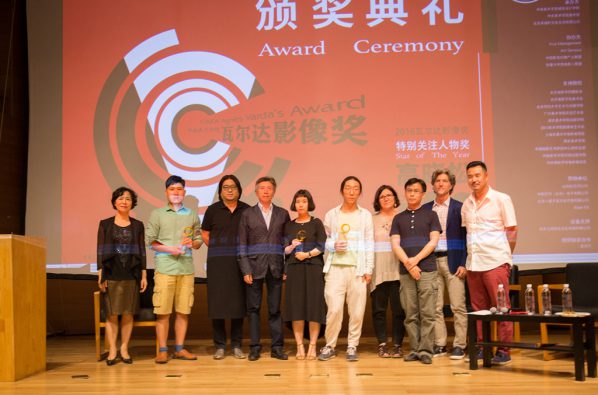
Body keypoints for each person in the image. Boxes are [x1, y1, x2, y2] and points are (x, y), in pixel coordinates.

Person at [461, 161, 518, 365]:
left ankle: (504, 350)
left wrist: (505, 256)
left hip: (496, 261)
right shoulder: (467, 204)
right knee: (478, 309)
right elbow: (467, 232)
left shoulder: (501, 199)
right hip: (474, 263)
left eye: (477, 175)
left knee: (501, 307)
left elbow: (511, 230)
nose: (473, 179)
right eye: (470, 176)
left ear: (486, 176)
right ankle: (482, 348)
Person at [145, 175, 202, 364]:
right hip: (165, 268)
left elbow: (199, 240)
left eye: (179, 189)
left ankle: (179, 348)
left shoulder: (192, 214)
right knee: (163, 312)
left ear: (184, 192)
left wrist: (192, 242)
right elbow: (150, 241)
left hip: (186, 268)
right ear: (166, 192)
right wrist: (170, 249)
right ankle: (162, 350)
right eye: (172, 189)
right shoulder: (157, 214)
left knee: (183, 311)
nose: (176, 192)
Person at [318, 176, 374, 362]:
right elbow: (324, 240)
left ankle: (352, 346)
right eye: (348, 188)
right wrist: (333, 244)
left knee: (357, 311)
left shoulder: (364, 215)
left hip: (357, 270)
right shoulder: (332, 214)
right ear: (342, 191)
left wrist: (368, 268)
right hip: (335, 269)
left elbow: (369, 243)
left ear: (360, 192)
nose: (351, 191)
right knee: (333, 309)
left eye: (355, 188)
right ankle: (330, 345)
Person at [238, 176, 290, 361]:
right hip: (254, 268)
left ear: (274, 191)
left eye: (269, 188)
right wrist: (245, 270)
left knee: (275, 310)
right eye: (262, 188)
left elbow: (287, 243)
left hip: (276, 267)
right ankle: (254, 347)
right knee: (253, 309)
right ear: (256, 191)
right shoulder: (247, 214)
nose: (266, 191)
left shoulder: (283, 214)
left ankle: (277, 347)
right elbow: (242, 244)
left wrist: (287, 267)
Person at [390, 178, 441, 365]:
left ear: (423, 194)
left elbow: (433, 242)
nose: (412, 193)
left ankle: (426, 350)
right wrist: (409, 264)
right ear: (404, 192)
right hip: (406, 272)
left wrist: (416, 261)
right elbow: (395, 244)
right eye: (409, 190)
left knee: (427, 312)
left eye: (416, 191)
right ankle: (414, 349)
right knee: (410, 313)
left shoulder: (431, 215)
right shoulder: (398, 218)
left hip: (427, 269)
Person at [97, 187, 147, 365]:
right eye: (120, 198)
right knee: (112, 314)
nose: (124, 201)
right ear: (114, 202)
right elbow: (101, 250)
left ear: (132, 202)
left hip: (131, 273)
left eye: (127, 198)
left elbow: (142, 251)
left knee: (128, 314)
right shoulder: (105, 224)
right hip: (111, 273)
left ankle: (124, 348)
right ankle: (112, 350)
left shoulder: (138, 225)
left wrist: (143, 275)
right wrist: (100, 276)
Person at [201, 175, 250, 360]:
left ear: (239, 190)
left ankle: (237, 344)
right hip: (217, 262)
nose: (230, 190)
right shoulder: (213, 210)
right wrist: (216, 247)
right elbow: (205, 233)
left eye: (233, 187)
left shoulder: (246, 209)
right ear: (220, 191)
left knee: (238, 303)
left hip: (240, 262)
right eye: (226, 187)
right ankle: (220, 345)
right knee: (218, 304)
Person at [422, 169, 468, 360]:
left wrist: (465, 263)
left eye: (445, 181)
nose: (441, 184)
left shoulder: (460, 207)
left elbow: (467, 238)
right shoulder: (425, 209)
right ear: (433, 185)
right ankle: (439, 343)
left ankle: (459, 345)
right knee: (436, 306)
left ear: (451, 185)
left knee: (458, 305)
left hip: (454, 261)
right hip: (431, 261)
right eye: (437, 181)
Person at [283, 189, 326, 360]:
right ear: (294, 204)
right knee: (296, 307)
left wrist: (307, 254)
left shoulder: (316, 223)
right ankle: (299, 345)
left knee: (314, 307)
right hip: (294, 268)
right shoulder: (289, 225)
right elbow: (284, 250)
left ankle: (313, 346)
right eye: (298, 201)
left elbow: (322, 246)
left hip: (313, 267)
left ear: (309, 204)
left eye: (304, 201)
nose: (300, 204)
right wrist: (292, 247)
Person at [370, 185, 406, 359]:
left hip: (399, 270)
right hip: (378, 270)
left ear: (395, 198)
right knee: (379, 310)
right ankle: (382, 344)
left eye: (389, 195)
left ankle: (398, 345)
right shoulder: (371, 220)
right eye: (382, 196)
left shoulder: (403, 218)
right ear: (378, 200)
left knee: (399, 311)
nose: (386, 198)